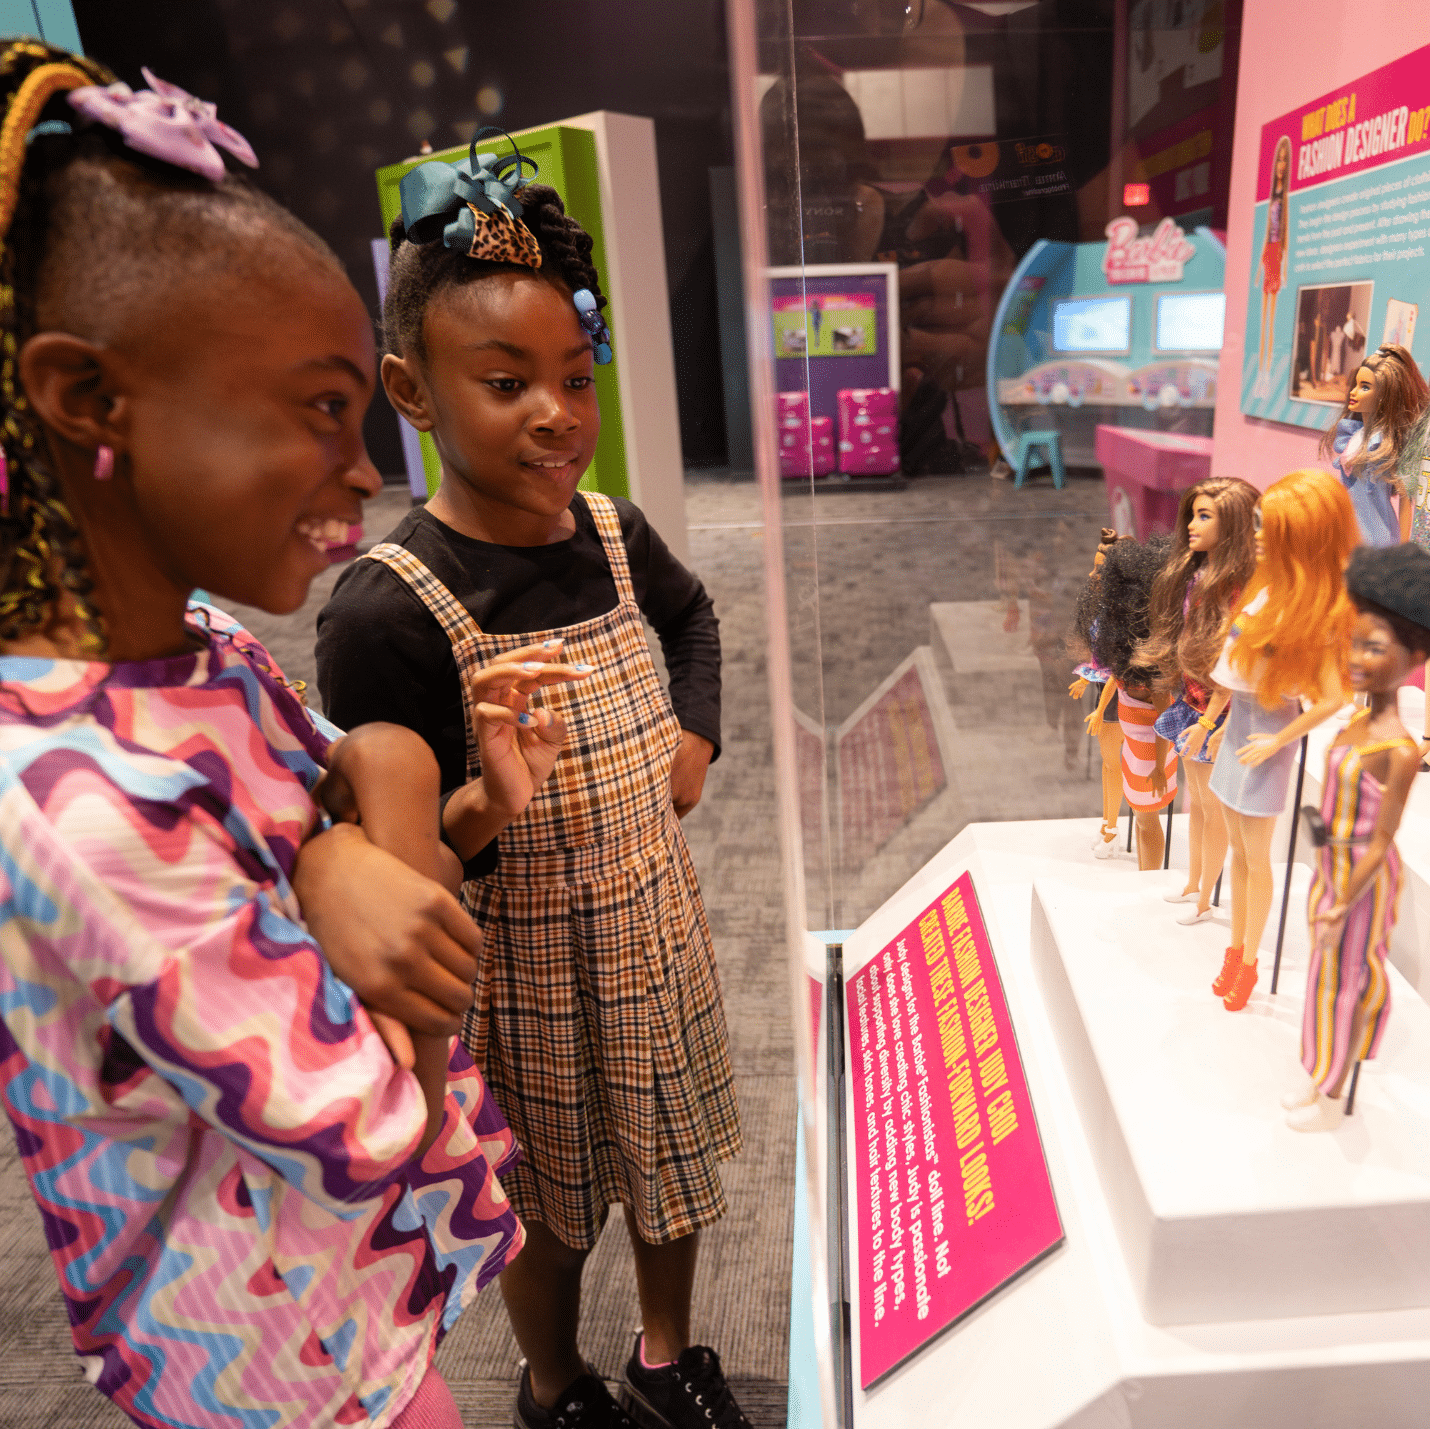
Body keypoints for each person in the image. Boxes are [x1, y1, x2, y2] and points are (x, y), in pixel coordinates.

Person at [0, 46, 572, 1429]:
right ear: (90, 401)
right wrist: (374, 809)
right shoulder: (73, 814)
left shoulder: (209, 656)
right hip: (271, 1376)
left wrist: (405, 825)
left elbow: (358, 828)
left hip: (349, 1310)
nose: (365, 468)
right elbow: (373, 1116)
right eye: (322, 409)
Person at [315, 135, 746, 1429]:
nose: (555, 413)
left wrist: (693, 738)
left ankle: (667, 1355)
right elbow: (398, 873)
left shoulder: (611, 534)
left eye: (574, 375)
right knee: (545, 1205)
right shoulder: (386, 612)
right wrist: (487, 803)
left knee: (670, 1173)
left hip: (650, 923)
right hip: (521, 969)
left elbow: (695, 619)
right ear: (414, 388)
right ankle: (554, 1382)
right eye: (506, 383)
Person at [1183, 470, 1358, 1012]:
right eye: (1259, 524)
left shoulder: (1321, 613)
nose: (1257, 534)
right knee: (1238, 851)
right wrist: (1210, 723)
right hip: (1236, 730)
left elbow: (1332, 699)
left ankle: (1251, 960)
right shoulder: (1264, 592)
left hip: (1265, 738)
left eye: (1270, 527)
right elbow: (1232, 671)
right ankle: (1234, 950)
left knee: (1257, 857)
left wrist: (1279, 739)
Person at [1282, 544, 1430, 1131]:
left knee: (1347, 979)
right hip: (1331, 867)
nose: (1358, 658)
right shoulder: (1354, 722)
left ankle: (1334, 1083)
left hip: (1361, 877)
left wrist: (1345, 899)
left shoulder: (1398, 748)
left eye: (1375, 647)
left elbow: (1383, 838)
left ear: (1414, 655)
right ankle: (1319, 1073)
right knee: (1320, 973)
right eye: (1355, 643)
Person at [1138, 478, 1259, 922]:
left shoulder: (1237, 589)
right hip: (1191, 698)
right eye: (1192, 514)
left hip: (1218, 708)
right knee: (1196, 803)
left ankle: (1207, 897)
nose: (1191, 525)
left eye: (1204, 516)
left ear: (1232, 526)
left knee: (1212, 805)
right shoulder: (1198, 577)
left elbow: (1235, 661)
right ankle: (1194, 883)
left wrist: (1210, 718)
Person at [1320, 343, 1429, 548]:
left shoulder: (1387, 443)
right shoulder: (1354, 435)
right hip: (1351, 532)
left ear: (1383, 397)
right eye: (1355, 384)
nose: (1353, 392)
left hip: (1378, 536)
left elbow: (1406, 503)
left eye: (1365, 387)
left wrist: (1402, 553)